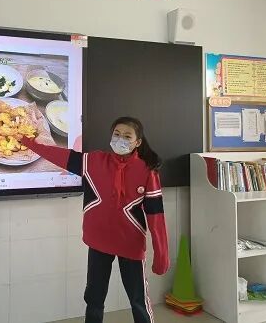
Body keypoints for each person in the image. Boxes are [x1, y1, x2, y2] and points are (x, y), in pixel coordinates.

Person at [20, 117, 169, 323]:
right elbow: (61, 156)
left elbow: (156, 215)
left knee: (138, 300)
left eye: (127, 136)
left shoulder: (147, 170)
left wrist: (162, 254)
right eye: (116, 134)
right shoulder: (94, 161)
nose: (120, 139)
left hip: (130, 244)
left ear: (138, 142)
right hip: (98, 242)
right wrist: (31, 144)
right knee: (94, 298)